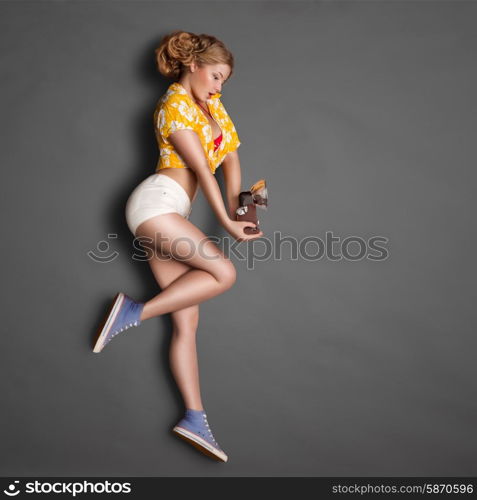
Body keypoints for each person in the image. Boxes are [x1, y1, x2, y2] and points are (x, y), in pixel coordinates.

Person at [92, 30, 263, 462]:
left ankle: (194, 417)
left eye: (225, 80)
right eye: (216, 75)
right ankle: (133, 311)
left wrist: (240, 209)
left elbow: (231, 161)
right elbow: (203, 169)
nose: (219, 85)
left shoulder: (214, 107)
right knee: (223, 274)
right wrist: (224, 220)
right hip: (155, 205)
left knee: (186, 324)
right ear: (194, 65)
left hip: (174, 216)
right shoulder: (173, 104)